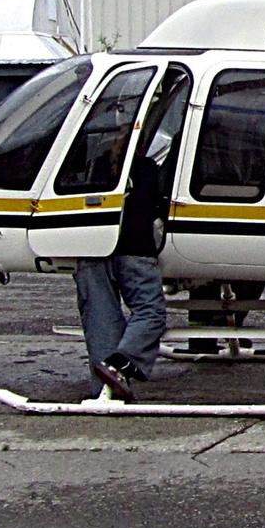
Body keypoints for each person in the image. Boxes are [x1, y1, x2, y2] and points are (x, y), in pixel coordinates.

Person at [76, 147, 168, 401]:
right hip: (136, 250)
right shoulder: (147, 169)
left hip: (91, 249)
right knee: (151, 312)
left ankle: (105, 391)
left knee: (101, 321)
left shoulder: (95, 166)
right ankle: (120, 365)